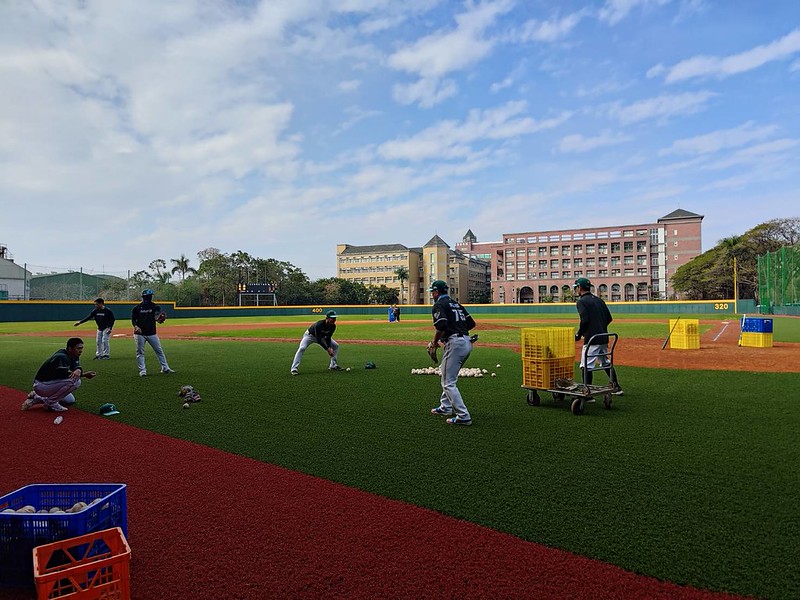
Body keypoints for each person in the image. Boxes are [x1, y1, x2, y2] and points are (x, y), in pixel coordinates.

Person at [428, 280, 476, 426]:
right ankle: (445, 407)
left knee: (448, 382)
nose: (432, 294)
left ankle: (463, 416)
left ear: (436, 292)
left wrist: (435, 343)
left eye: (433, 292)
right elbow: (471, 324)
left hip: (455, 344)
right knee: (446, 373)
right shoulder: (456, 304)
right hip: (466, 342)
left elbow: (441, 325)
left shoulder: (439, 304)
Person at [573, 277, 623, 395]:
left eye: (576, 288)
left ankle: (587, 393)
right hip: (603, 337)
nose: (576, 290)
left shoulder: (581, 301)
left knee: (585, 365)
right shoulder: (599, 300)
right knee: (605, 362)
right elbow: (609, 318)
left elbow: (584, 321)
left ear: (580, 288)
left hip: (592, 339)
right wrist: (599, 327)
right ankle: (616, 387)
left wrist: (579, 334)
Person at [22, 337, 96, 412]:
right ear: (70, 348)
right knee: (76, 381)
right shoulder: (61, 357)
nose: (81, 351)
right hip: (42, 385)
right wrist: (81, 374)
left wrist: (81, 372)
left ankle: (36, 398)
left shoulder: (73, 355)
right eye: (78, 348)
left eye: (81, 348)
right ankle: (51, 402)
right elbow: (64, 374)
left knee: (70, 400)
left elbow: (76, 368)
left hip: (51, 383)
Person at [132, 288, 174, 377]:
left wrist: (159, 319)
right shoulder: (137, 308)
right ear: (143, 297)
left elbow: (156, 317)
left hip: (152, 333)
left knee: (159, 350)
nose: (149, 298)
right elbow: (133, 320)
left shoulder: (155, 306)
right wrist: (136, 326)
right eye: (147, 296)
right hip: (140, 334)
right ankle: (142, 371)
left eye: (150, 296)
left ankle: (165, 367)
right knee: (140, 352)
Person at [291, 310, 342, 375]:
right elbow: (318, 339)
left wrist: (329, 347)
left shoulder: (333, 326)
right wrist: (327, 349)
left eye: (335, 318)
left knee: (336, 346)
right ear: (327, 318)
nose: (334, 320)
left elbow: (328, 337)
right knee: (302, 348)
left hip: (322, 337)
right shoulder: (319, 325)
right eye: (332, 318)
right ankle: (294, 369)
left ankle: (333, 365)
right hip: (310, 336)